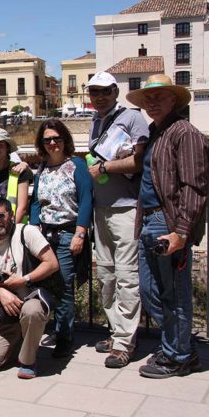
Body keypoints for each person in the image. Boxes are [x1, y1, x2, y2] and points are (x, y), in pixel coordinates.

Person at [127, 74, 209, 378]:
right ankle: (180, 343)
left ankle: (178, 356)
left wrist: (182, 232)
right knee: (150, 292)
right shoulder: (155, 133)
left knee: (174, 293)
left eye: (159, 97)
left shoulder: (185, 133)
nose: (152, 103)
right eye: (148, 98)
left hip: (168, 222)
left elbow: (194, 187)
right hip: (149, 220)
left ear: (173, 100)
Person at [85, 71, 150, 369]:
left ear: (115, 91)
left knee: (127, 276)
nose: (99, 97)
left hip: (126, 208)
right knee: (106, 276)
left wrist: (106, 167)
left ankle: (125, 342)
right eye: (94, 92)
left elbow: (140, 161)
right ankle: (116, 332)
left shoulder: (133, 118)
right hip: (102, 209)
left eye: (104, 92)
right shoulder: (95, 122)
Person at [0, 197, 60, 379]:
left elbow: (52, 263)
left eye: (0, 216)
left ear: (11, 216)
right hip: (5, 308)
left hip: (30, 299)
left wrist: (24, 279)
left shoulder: (26, 232)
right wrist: (0, 292)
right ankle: (23, 340)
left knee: (32, 311)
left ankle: (28, 361)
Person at [30, 119, 93, 358]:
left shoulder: (76, 165)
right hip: (44, 235)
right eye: (47, 140)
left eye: (57, 138)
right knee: (46, 284)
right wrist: (33, 228)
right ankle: (56, 328)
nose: (53, 143)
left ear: (65, 140)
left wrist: (80, 233)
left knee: (65, 286)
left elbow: (86, 199)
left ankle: (65, 337)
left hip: (68, 234)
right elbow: (36, 201)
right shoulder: (42, 168)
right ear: (42, 143)